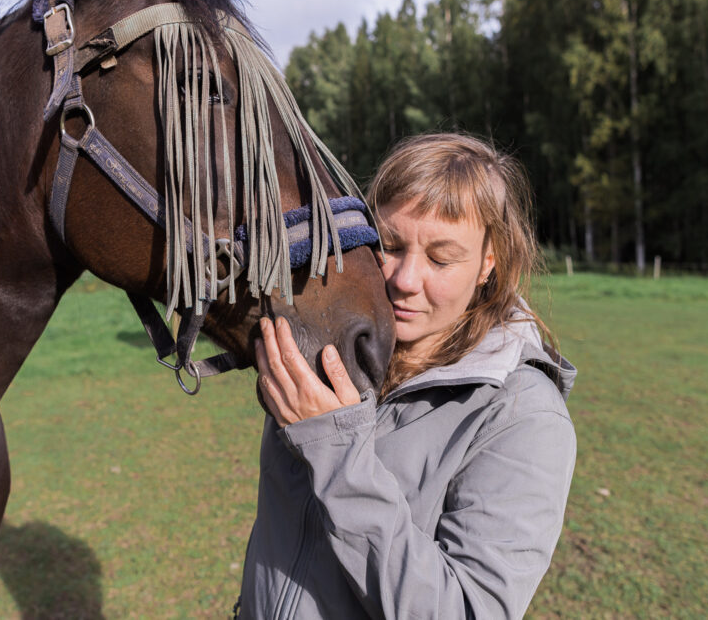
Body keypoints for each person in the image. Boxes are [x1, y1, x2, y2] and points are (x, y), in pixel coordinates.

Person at [236, 133, 577, 620]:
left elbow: (463, 611)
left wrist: (334, 452)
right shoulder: (336, 351)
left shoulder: (524, 417)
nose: (404, 279)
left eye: (441, 257)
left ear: (488, 262)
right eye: (389, 244)